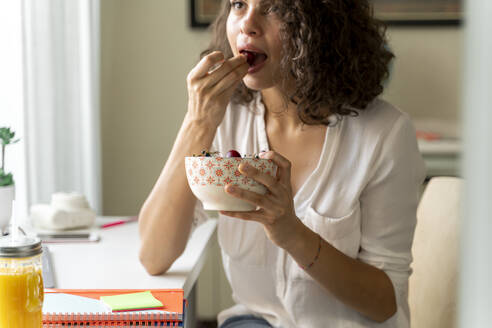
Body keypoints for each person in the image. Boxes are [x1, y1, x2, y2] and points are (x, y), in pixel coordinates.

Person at [138, 0, 425, 327]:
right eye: (238, 4)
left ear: (321, 23)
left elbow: (384, 304)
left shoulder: (384, 134)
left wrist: (292, 234)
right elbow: (154, 256)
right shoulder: (225, 118)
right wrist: (197, 123)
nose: (247, 25)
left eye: (272, 7)